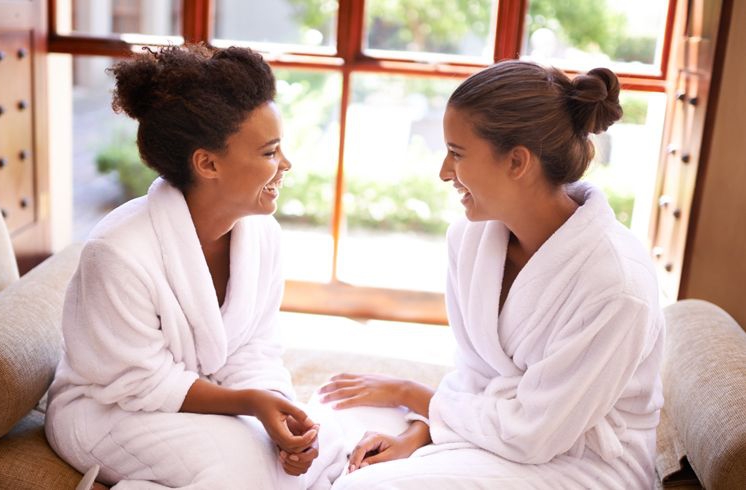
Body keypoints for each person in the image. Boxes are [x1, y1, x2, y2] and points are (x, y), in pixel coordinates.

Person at [320, 60, 665, 489]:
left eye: (457, 154)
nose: (444, 172)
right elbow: (474, 376)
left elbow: (535, 435)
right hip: (494, 432)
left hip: (578, 462)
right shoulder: (469, 239)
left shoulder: (617, 285)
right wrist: (419, 430)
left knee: (365, 485)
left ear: (517, 162)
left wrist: (412, 395)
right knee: (332, 439)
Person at [45, 43, 345, 490]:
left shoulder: (262, 236)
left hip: (204, 396)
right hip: (108, 410)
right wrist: (249, 403)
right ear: (207, 163)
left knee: (327, 450)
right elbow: (140, 382)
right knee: (248, 473)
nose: (286, 165)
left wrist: (276, 412)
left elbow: (255, 348)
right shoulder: (118, 251)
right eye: (269, 152)